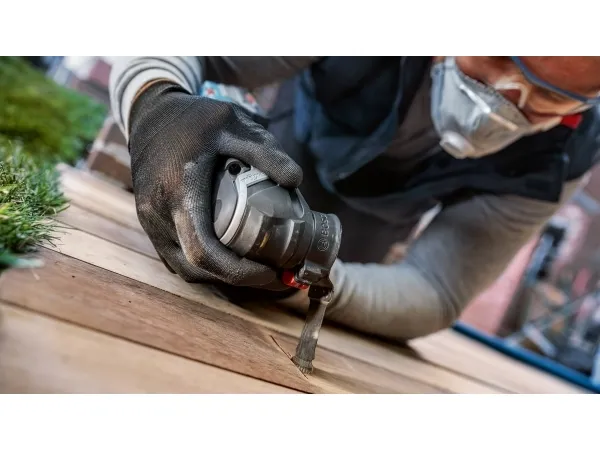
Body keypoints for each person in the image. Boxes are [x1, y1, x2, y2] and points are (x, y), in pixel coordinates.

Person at [109, 57, 600, 342]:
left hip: (373, 226)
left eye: (550, 95)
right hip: (291, 143)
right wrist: (159, 109)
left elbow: (437, 288)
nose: (505, 99)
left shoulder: (565, 155)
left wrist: (308, 282)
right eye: (498, 55)